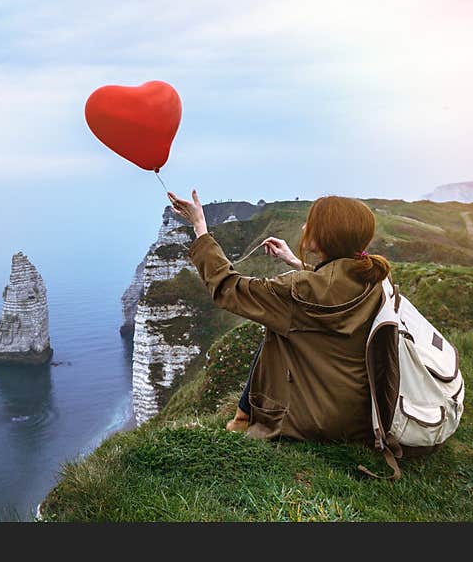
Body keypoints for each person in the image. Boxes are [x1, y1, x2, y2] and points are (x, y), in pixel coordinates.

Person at [167, 189, 391, 443]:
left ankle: (241, 421)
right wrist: (297, 263)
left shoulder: (297, 291)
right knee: (278, 324)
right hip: (360, 416)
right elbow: (332, 289)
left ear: (327, 235)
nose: (305, 226)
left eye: (312, 222)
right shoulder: (375, 280)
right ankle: (241, 417)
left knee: (273, 330)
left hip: (317, 422)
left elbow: (229, 288)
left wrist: (200, 227)